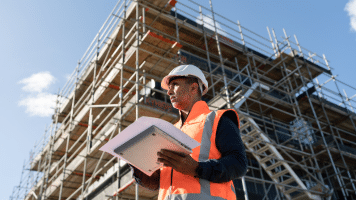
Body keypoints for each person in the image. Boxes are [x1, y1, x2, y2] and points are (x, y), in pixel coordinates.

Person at [129, 64, 247, 200]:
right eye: (169, 87)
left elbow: (239, 163)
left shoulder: (217, 119)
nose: (169, 91)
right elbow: (157, 183)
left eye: (174, 85)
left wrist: (197, 168)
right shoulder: (169, 131)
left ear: (193, 88)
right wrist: (139, 167)